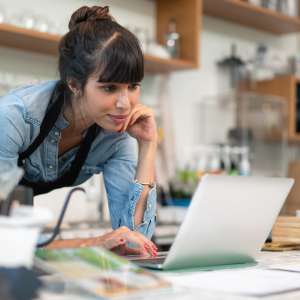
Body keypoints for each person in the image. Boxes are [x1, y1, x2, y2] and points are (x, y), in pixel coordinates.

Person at [0, 5, 157, 257]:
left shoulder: (116, 135)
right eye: (109, 88)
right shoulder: (15, 117)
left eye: (133, 86)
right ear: (74, 83)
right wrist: (91, 243)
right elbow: (4, 237)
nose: (125, 103)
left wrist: (148, 146)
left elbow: (136, 238)